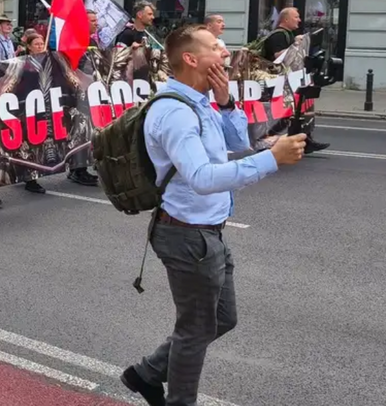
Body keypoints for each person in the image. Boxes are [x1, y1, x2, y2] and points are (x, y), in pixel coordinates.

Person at [121, 24, 306, 406]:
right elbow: (203, 177)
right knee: (195, 329)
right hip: (187, 236)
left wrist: (225, 103)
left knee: (222, 319)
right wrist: (271, 158)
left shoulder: (200, 100)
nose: (225, 52)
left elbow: (236, 144)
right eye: (215, 47)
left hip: (209, 232)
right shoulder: (175, 112)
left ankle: (146, 374)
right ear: (191, 59)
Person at [259, 7, 328, 154]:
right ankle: (266, 139)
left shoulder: (288, 34)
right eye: (296, 17)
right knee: (285, 113)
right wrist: (296, 44)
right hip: (279, 82)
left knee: (299, 111)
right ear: (285, 19)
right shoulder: (278, 35)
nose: (299, 20)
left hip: (290, 80)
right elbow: (278, 57)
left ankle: (305, 141)